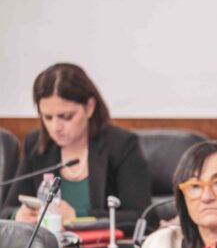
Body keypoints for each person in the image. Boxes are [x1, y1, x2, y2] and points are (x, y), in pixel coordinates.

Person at [1, 63, 151, 229]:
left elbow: (144, 217)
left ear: (89, 107)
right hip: (46, 244)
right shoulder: (36, 145)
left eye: (66, 116)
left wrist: (78, 216)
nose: (56, 127)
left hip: (97, 246)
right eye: (47, 117)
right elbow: (6, 212)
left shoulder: (121, 145)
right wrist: (18, 215)